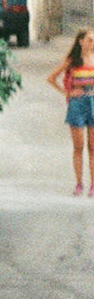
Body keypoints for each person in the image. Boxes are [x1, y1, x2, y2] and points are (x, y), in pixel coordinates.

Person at [45, 29, 94, 195]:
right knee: (78, 146)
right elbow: (51, 78)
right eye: (89, 40)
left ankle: (93, 185)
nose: (92, 43)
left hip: (93, 102)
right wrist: (67, 92)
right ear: (81, 41)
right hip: (77, 104)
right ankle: (79, 183)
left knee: (93, 147)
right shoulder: (73, 60)